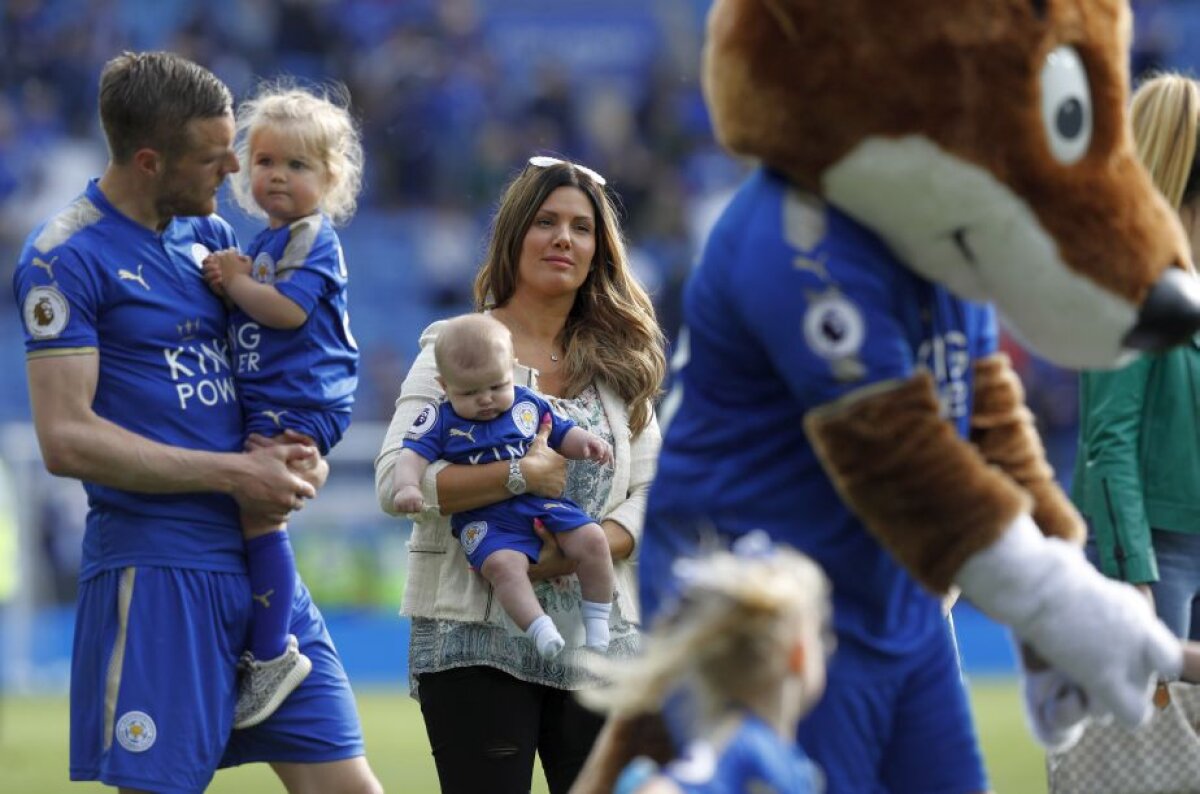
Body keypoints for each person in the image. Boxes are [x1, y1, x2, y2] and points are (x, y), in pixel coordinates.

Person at [12, 51, 380, 793]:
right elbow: (65, 439)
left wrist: (298, 447)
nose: (233, 176)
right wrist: (236, 472)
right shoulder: (65, 258)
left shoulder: (212, 243)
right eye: (216, 160)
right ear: (150, 161)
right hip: (158, 570)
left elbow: (280, 357)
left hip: (257, 565)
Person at [374, 155, 666, 794]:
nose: (564, 238)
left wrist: (571, 555)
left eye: (581, 228)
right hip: (476, 640)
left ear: (598, 251)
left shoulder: (622, 364)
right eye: (545, 222)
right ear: (513, 237)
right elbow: (397, 477)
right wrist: (519, 476)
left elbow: (652, 495)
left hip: (601, 645)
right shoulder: (455, 348)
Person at [200, 81, 364, 729]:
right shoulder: (268, 241)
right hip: (277, 400)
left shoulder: (309, 237)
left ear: (329, 178)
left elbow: (290, 312)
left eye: (297, 166)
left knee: (259, 516)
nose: (277, 176)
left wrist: (236, 281)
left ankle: (271, 652)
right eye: (266, 161)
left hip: (300, 399)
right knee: (252, 511)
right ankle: (262, 638)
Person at [391, 312, 617, 660]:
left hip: (540, 505)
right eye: (470, 391)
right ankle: (539, 628)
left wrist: (586, 442)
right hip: (486, 518)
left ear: (511, 369)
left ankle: (598, 626)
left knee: (593, 539)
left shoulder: (527, 402)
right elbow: (410, 456)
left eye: (496, 387)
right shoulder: (439, 417)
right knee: (502, 567)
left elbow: (559, 430)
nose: (486, 399)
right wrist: (407, 487)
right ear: (444, 386)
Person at [1071, 72, 1200, 642]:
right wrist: (1133, 576)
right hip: (1154, 562)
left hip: (1178, 552)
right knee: (1144, 730)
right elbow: (1109, 440)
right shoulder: (1131, 285)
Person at [589, 538, 831, 794]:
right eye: (821, 634)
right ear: (799, 653)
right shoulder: (742, 753)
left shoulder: (786, 762)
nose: (831, 646)